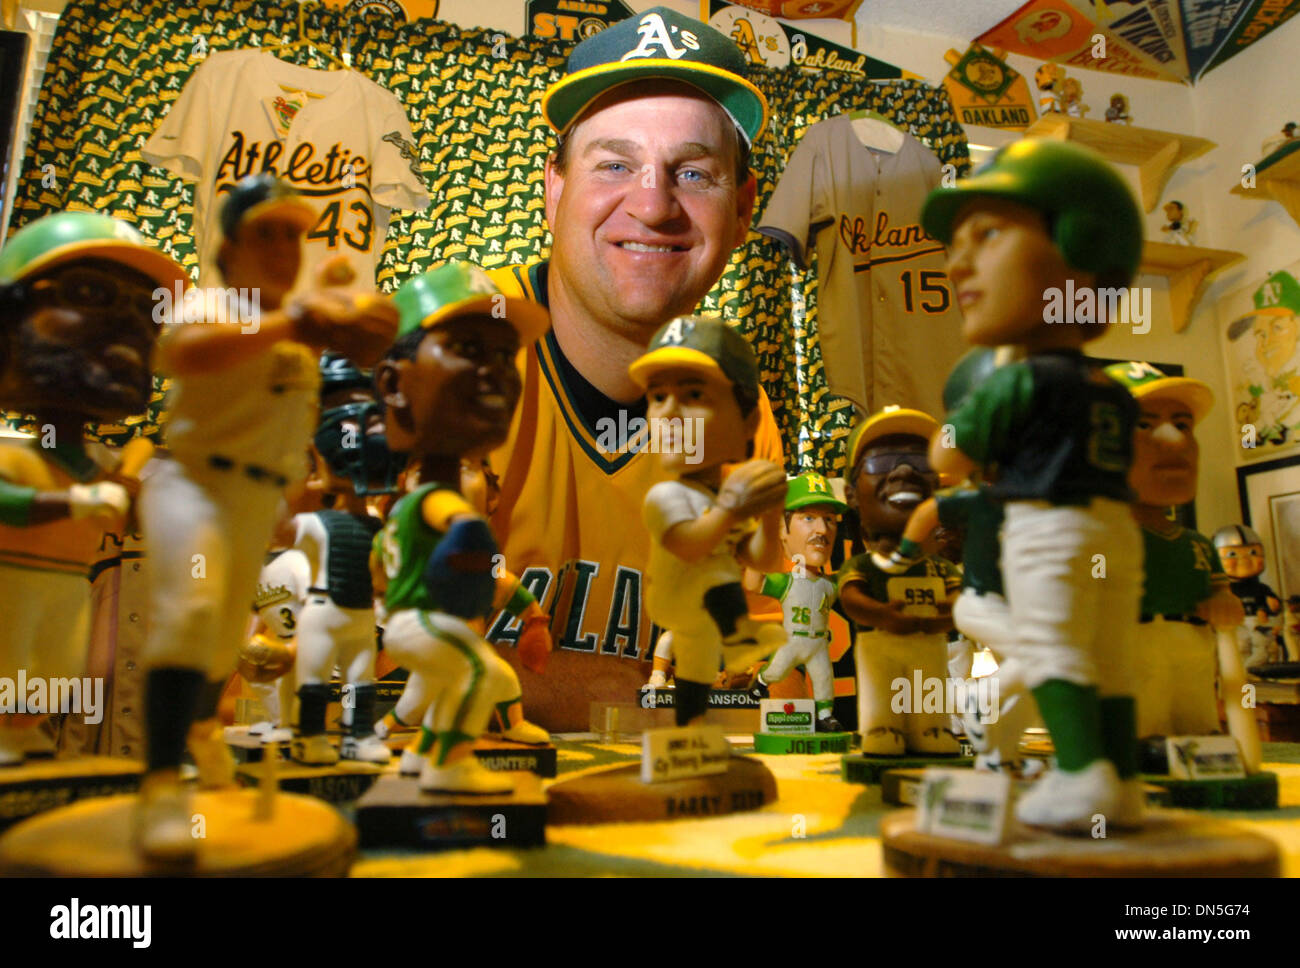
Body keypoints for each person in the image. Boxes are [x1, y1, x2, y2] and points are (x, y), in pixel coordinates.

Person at [483, 6, 783, 730]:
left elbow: (763, 681)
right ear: (554, 188)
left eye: (693, 172)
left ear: (742, 211)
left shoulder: (736, 404)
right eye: (615, 164)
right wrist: (649, 699)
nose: (652, 205)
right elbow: (364, 653)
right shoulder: (462, 345)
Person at [136, 174, 398, 860]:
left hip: (255, 497)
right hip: (190, 480)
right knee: (191, 614)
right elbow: (185, 355)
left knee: (223, 637)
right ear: (230, 247)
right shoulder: (215, 303)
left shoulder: (298, 325)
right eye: (268, 234)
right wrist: (301, 319)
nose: (285, 248)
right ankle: (162, 783)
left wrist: (349, 313)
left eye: (294, 234)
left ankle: (198, 741)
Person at [922, 138, 1145, 832]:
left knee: (1051, 649)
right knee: (1108, 659)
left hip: (1048, 530)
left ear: (1079, 247)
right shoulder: (1112, 385)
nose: (958, 263)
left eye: (986, 235)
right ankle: (1121, 782)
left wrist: (955, 427)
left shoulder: (1019, 379)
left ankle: (1081, 778)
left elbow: (949, 458)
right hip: (1113, 531)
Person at [0, 211, 187, 765]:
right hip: (15, 583)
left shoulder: (103, 464)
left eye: (149, 314)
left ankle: (25, 729)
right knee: (13, 655)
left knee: (61, 664)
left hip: (69, 587)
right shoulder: (18, 456)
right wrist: (74, 501)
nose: (131, 327)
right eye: (90, 293)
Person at [372, 261, 551, 793]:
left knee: (461, 679)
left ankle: (419, 757)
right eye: (469, 351)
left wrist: (530, 615)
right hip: (422, 625)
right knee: (480, 674)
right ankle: (450, 764)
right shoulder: (436, 502)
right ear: (393, 385)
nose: (495, 371)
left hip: (416, 627)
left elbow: (380, 565)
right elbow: (463, 542)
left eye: (504, 355)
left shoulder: (413, 507)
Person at [631, 315, 788, 726]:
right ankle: (738, 637)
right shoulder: (668, 495)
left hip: (704, 620)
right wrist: (732, 509)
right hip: (678, 598)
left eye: (693, 394)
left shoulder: (725, 492)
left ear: (748, 422)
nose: (667, 414)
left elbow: (763, 560)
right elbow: (689, 544)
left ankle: (691, 735)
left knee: (696, 680)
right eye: (657, 396)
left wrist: (771, 514)